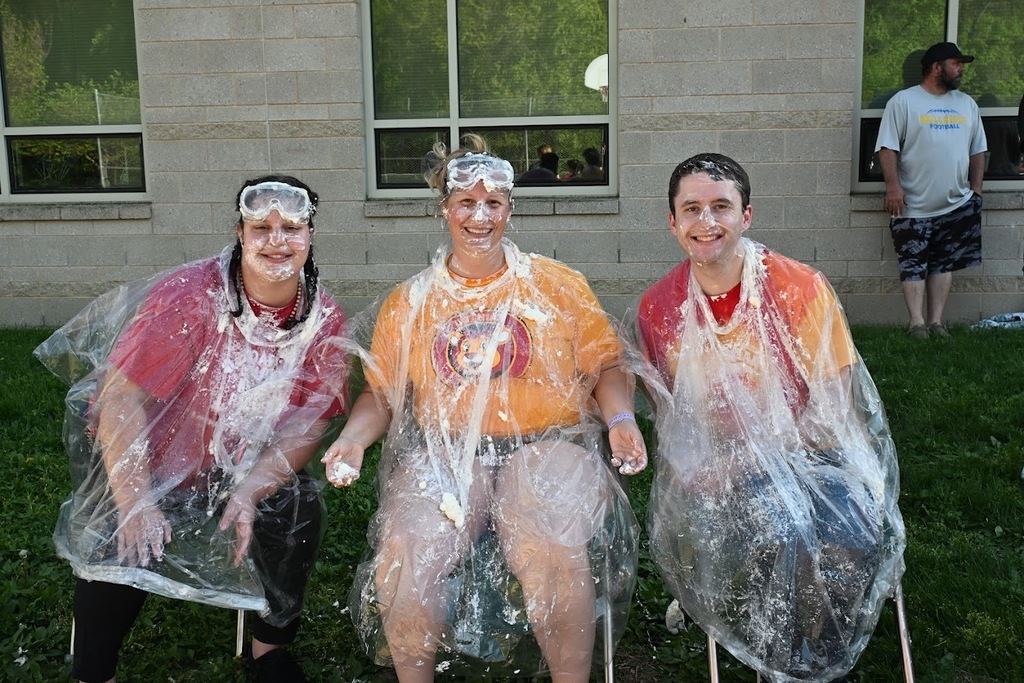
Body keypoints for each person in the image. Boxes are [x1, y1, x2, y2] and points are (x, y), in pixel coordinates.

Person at [322, 134, 647, 683]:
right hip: (446, 449)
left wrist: (620, 419)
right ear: (444, 210)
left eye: (493, 203)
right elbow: (381, 394)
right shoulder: (412, 301)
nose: (480, 215)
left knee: (547, 535)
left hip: (550, 442)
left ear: (510, 210)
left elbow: (606, 366)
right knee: (409, 544)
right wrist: (353, 438)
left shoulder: (557, 286)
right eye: (466, 203)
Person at [34, 175, 351, 683]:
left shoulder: (323, 318)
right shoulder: (189, 298)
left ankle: (268, 649)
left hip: (238, 462)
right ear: (240, 232)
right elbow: (121, 398)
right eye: (260, 227)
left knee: (296, 510)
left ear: (310, 235)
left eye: (291, 227)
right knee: (121, 536)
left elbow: (309, 422)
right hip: (149, 454)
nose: (276, 241)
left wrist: (251, 489)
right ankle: (94, 668)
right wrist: (137, 498)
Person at [632, 153, 906, 682]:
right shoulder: (658, 310)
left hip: (818, 458)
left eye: (721, 207)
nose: (706, 222)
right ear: (672, 222)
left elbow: (832, 414)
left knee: (853, 536)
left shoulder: (799, 288)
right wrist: (720, 469)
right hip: (718, 472)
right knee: (786, 532)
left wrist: (746, 462)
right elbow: (678, 427)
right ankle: (799, 662)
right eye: (691, 209)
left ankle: (807, 657)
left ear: (747, 215)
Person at [874, 41, 987, 338]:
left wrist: (976, 190)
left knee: (943, 262)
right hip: (911, 204)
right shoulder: (904, 101)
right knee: (912, 263)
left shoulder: (967, 104)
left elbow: (979, 150)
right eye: (956, 62)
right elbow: (888, 148)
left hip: (956, 203)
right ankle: (917, 323)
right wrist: (893, 187)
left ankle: (936, 322)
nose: (961, 68)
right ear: (936, 67)